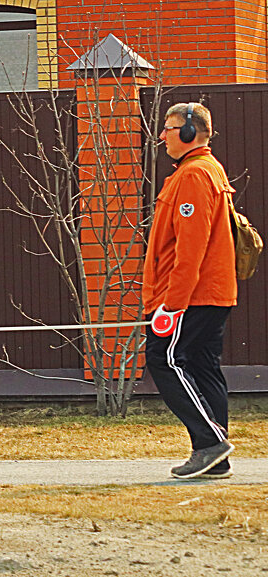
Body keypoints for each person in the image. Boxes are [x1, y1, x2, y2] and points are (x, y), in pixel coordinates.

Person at [143, 102, 238, 479]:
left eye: (167, 128)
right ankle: (217, 459)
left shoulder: (194, 176)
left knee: (163, 359)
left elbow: (190, 249)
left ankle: (209, 442)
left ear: (187, 131)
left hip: (193, 296)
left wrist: (171, 304)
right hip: (211, 294)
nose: (162, 135)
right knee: (202, 366)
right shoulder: (204, 170)